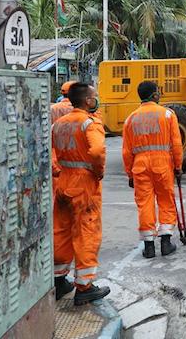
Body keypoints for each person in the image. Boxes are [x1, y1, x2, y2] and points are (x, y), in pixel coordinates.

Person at [51, 82, 110, 305]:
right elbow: (97, 151)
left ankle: (58, 280)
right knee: (86, 231)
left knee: (62, 231)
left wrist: (57, 170)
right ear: (87, 100)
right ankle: (84, 287)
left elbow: (49, 152)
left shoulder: (58, 124)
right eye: (94, 96)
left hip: (63, 182)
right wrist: (98, 171)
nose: (96, 99)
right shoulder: (89, 123)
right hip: (84, 184)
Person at [122, 81, 184, 258]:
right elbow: (176, 144)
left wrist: (130, 174)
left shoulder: (130, 119)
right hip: (162, 165)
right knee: (166, 200)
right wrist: (178, 166)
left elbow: (126, 151)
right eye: (158, 92)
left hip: (140, 166)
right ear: (154, 95)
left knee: (145, 204)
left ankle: (149, 246)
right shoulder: (167, 114)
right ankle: (166, 242)